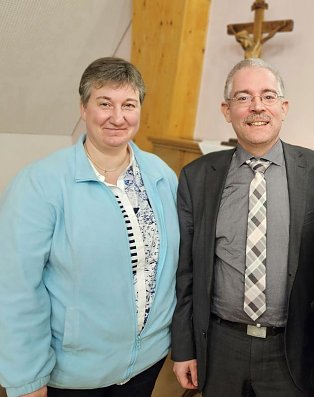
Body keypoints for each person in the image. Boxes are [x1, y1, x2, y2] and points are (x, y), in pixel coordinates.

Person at [0, 57, 180, 397]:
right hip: (73, 375)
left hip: (147, 363)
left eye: (128, 104)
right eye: (104, 103)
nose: (117, 117)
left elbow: (168, 270)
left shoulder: (160, 176)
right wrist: (27, 377)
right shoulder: (40, 184)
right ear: (83, 108)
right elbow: (15, 288)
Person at [170, 58, 314, 397]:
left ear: (284, 106)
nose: (256, 107)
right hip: (220, 347)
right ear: (226, 109)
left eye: (267, 96)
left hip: (292, 349)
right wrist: (184, 348)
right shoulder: (197, 177)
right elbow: (186, 273)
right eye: (243, 97)